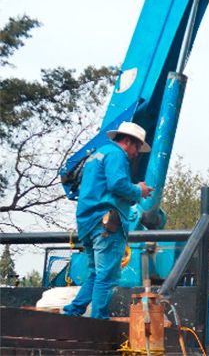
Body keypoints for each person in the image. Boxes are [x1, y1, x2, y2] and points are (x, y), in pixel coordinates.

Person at [63, 122, 153, 319]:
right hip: (106, 224)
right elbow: (117, 184)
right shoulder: (116, 155)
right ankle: (99, 321)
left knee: (96, 273)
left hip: (87, 222)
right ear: (128, 141)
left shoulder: (97, 155)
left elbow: (105, 186)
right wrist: (139, 190)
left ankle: (72, 312)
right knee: (107, 275)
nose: (136, 153)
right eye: (137, 147)